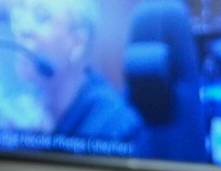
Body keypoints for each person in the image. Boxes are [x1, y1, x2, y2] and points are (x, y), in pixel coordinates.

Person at [7, 0, 141, 141]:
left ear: (78, 42)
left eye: (41, 17)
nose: (23, 28)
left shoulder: (115, 126)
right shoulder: (21, 108)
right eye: (21, 14)